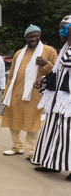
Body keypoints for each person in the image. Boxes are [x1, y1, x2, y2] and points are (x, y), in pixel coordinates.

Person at [1, 24, 57, 161]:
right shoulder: (19, 53)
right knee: (13, 119)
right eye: (30, 37)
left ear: (40, 37)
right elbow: (11, 75)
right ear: (25, 38)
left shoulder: (49, 51)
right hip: (15, 93)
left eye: (36, 36)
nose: (33, 39)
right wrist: (6, 93)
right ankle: (17, 146)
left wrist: (45, 64)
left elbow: (56, 73)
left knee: (32, 123)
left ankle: (31, 152)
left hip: (35, 94)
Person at [32, 15, 71, 181]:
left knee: (67, 133)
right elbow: (57, 72)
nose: (60, 31)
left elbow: (66, 63)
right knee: (52, 130)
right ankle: (52, 163)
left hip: (68, 101)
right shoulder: (64, 48)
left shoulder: (67, 51)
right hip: (58, 99)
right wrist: (44, 80)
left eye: (64, 28)